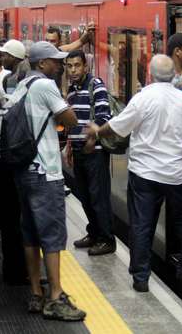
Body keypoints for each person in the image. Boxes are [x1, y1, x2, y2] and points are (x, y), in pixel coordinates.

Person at [86, 54, 182, 290]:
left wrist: (96, 130)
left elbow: (116, 128)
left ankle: (141, 277)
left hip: (145, 174)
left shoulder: (143, 98)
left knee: (142, 224)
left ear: (150, 74)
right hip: (177, 173)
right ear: (173, 75)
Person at [10, 41, 85, 321]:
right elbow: (71, 119)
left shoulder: (20, 85)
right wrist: (64, 103)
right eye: (55, 60)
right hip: (45, 171)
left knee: (30, 233)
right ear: (42, 64)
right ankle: (55, 297)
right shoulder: (44, 85)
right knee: (52, 235)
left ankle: (36, 294)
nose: (60, 64)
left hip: (24, 170)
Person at [65, 50, 115, 256]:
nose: (73, 70)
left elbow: (105, 115)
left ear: (85, 67)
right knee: (85, 196)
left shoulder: (96, 85)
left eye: (77, 65)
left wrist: (92, 138)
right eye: (69, 66)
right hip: (78, 151)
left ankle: (107, 240)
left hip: (94, 152)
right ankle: (93, 233)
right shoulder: (71, 91)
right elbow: (72, 121)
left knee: (98, 197)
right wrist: (70, 143)